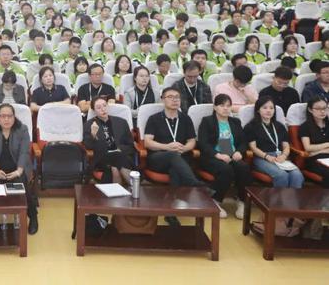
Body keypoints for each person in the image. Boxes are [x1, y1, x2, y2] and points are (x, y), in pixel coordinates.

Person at [143, 87, 205, 226]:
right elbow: (148, 142)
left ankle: (170, 214)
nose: (174, 100)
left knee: (175, 170)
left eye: (177, 97)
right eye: (170, 97)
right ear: (163, 100)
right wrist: (167, 147)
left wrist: (184, 148)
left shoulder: (185, 119)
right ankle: (195, 184)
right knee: (172, 157)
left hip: (180, 158)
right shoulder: (154, 119)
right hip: (158, 157)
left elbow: (191, 141)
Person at [0, 103, 38, 234]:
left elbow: (25, 152)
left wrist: (19, 170)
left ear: (14, 117)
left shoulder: (22, 129)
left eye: (9, 116)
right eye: (3, 116)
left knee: (22, 185)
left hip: (17, 167)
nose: (6, 119)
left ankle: (33, 216)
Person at [197, 94, 253, 219]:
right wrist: (218, 155)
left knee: (243, 167)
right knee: (226, 170)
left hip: (231, 154)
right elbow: (203, 143)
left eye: (228, 106)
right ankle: (215, 201)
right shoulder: (207, 121)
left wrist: (239, 151)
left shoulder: (235, 122)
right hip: (213, 156)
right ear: (215, 107)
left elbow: (243, 142)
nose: (225, 108)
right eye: (222, 105)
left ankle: (241, 200)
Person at [246, 96, 303, 188]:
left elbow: (286, 145)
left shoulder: (279, 126)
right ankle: (278, 202)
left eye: (271, 108)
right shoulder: (251, 127)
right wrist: (267, 156)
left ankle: (293, 201)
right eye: (265, 108)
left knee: (297, 175)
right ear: (258, 110)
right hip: (262, 158)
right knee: (281, 175)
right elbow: (253, 147)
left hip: (280, 157)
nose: (268, 110)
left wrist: (284, 155)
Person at [83, 96, 135, 184]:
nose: (103, 109)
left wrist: (119, 150)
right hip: (102, 158)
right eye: (98, 107)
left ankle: (117, 195)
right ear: (94, 111)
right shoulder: (89, 124)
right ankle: (135, 187)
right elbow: (88, 146)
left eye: (104, 106)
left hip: (121, 155)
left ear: (108, 106)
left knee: (115, 166)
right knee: (116, 159)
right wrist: (93, 134)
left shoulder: (121, 122)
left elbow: (130, 144)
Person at [299, 96, 329, 187]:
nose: (323, 111)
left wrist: (319, 149)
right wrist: (327, 145)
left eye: (325, 108)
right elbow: (308, 147)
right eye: (318, 109)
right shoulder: (305, 126)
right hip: (314, 160)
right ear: (310, 110)